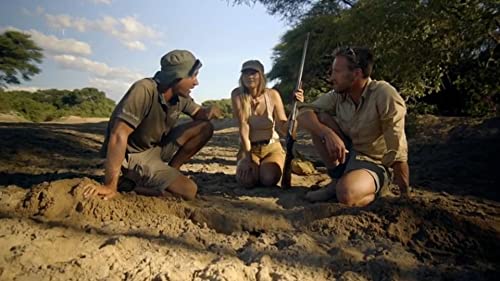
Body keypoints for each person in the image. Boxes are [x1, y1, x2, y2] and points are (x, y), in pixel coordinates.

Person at [84, 49, 221, 201]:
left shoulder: (180, 96)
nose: (196, 82)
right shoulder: (144, 90)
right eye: (193, 76)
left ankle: (171, 171)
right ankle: (129, 185)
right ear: (177, 77)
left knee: (205, 127)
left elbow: (199, 114)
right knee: (188, 190)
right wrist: (110, 185)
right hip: (134, 155)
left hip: (156, 148)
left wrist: (209, 112)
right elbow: (118, 135)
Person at [297, 46, 410, 206]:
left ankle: (370, 187)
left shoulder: (384, 94)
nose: (331, 77)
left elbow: (397, 147)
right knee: (319, 118)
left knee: (347, 193)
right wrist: (327, 133)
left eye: (336, 71)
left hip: (374, 163)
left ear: (356, 73)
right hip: (349, 154)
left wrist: (404, 194)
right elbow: (303, 113)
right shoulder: (338, 94)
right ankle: (337, 180)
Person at [231, 60, 303, 188]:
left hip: (271, 147)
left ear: (262, 76)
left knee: (268, 179)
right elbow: (244, 127)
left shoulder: (273, 95)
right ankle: (253, 166)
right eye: (246, 73)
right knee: (246, 181)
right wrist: (247, 158)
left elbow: (282, 126)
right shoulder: (237, 94)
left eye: (254, 72)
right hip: (249, 149)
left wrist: (296, 108)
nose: (250, 76)